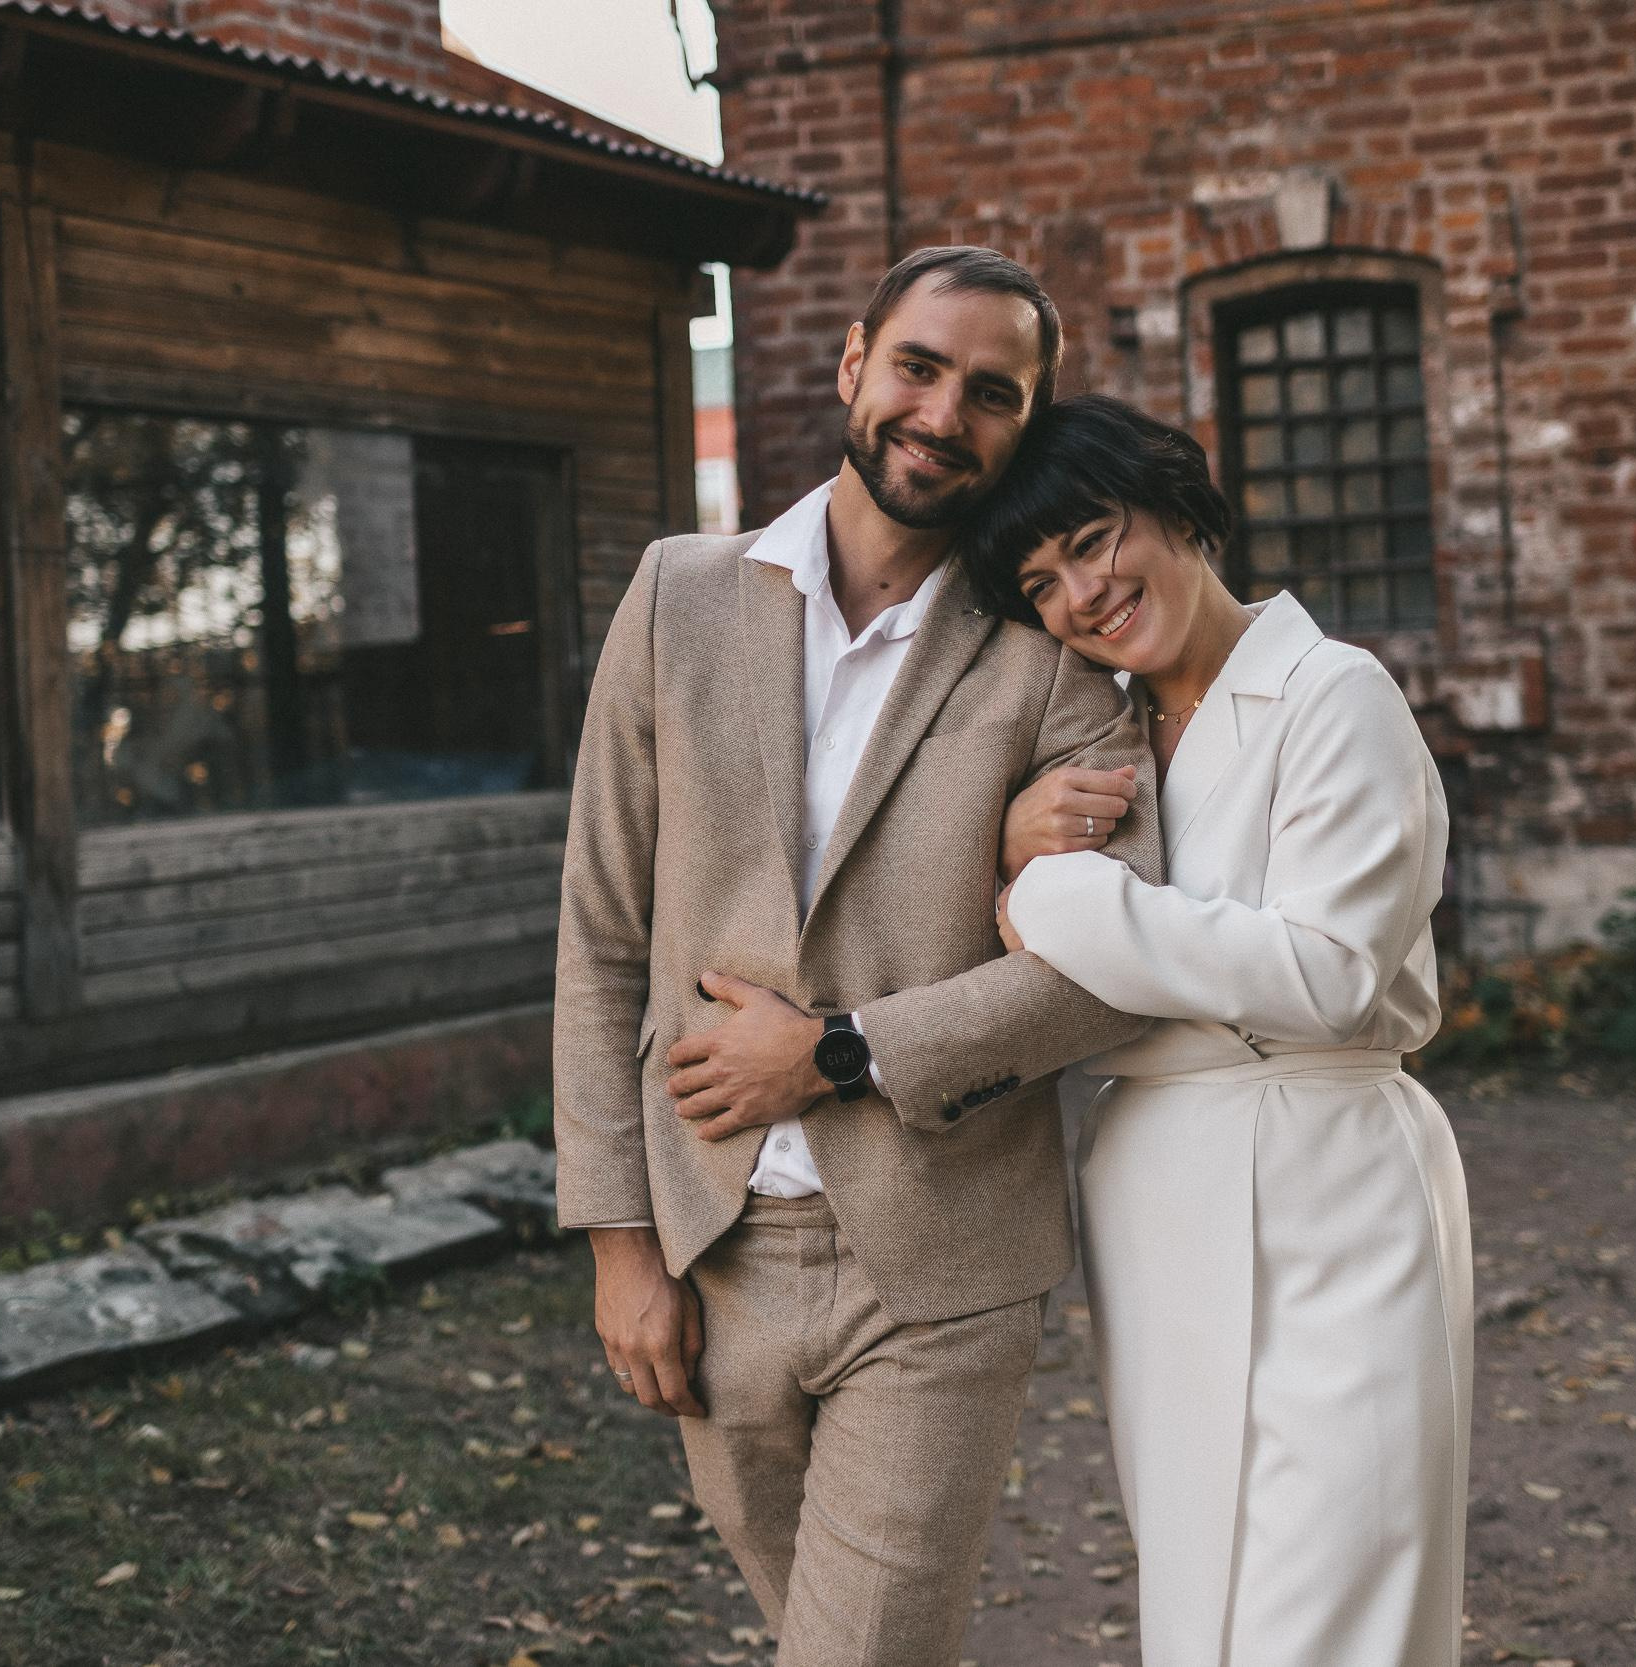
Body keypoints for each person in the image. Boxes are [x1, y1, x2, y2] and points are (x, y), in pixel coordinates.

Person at [552, 248, 1161, 1666]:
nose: (945, 412)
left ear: (1028, 422)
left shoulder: (1056, 642)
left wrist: (840, 1049)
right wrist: (619, 1242)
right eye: (921, 367)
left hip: (943, 1255)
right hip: (713, 1248)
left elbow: (1111, 957)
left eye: (993, 393)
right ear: (853, 364)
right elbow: (601, 937)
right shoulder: (677, 595)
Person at [970, 394, 1473, 1667]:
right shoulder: (1101, 743)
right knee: (1203, 1601)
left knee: (1335, 1591)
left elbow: (1331, 970)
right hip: (1152, 1182)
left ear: (1175, 504)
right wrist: (1020, 843)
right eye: (1041, 581)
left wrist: (1066, 896)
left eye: (1092, 538)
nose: (1082, 593)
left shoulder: (1332, 692)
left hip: (1332, 1179)